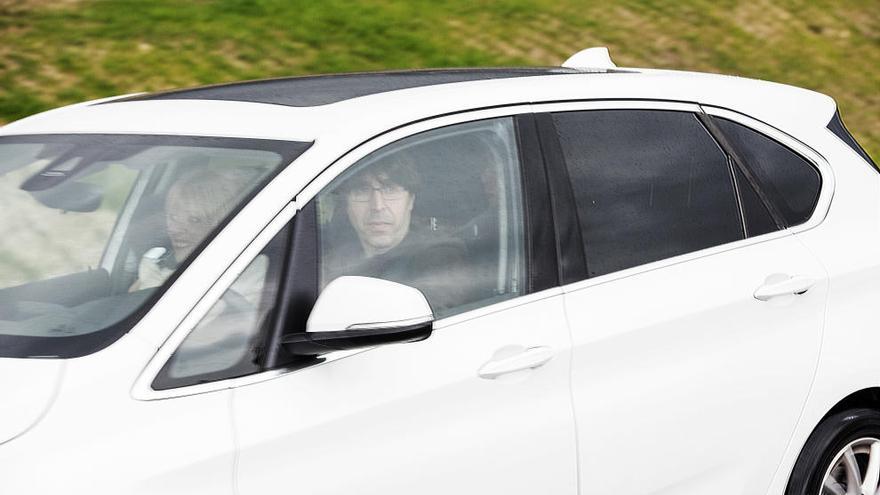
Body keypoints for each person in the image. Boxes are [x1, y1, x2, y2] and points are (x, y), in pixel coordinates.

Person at [322, 151, 468, 313]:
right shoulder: (331, 262)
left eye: (389, 189)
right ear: (347, 206)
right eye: (362, 191)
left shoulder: (439, 257)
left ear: (410, 200)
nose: (377, 206)